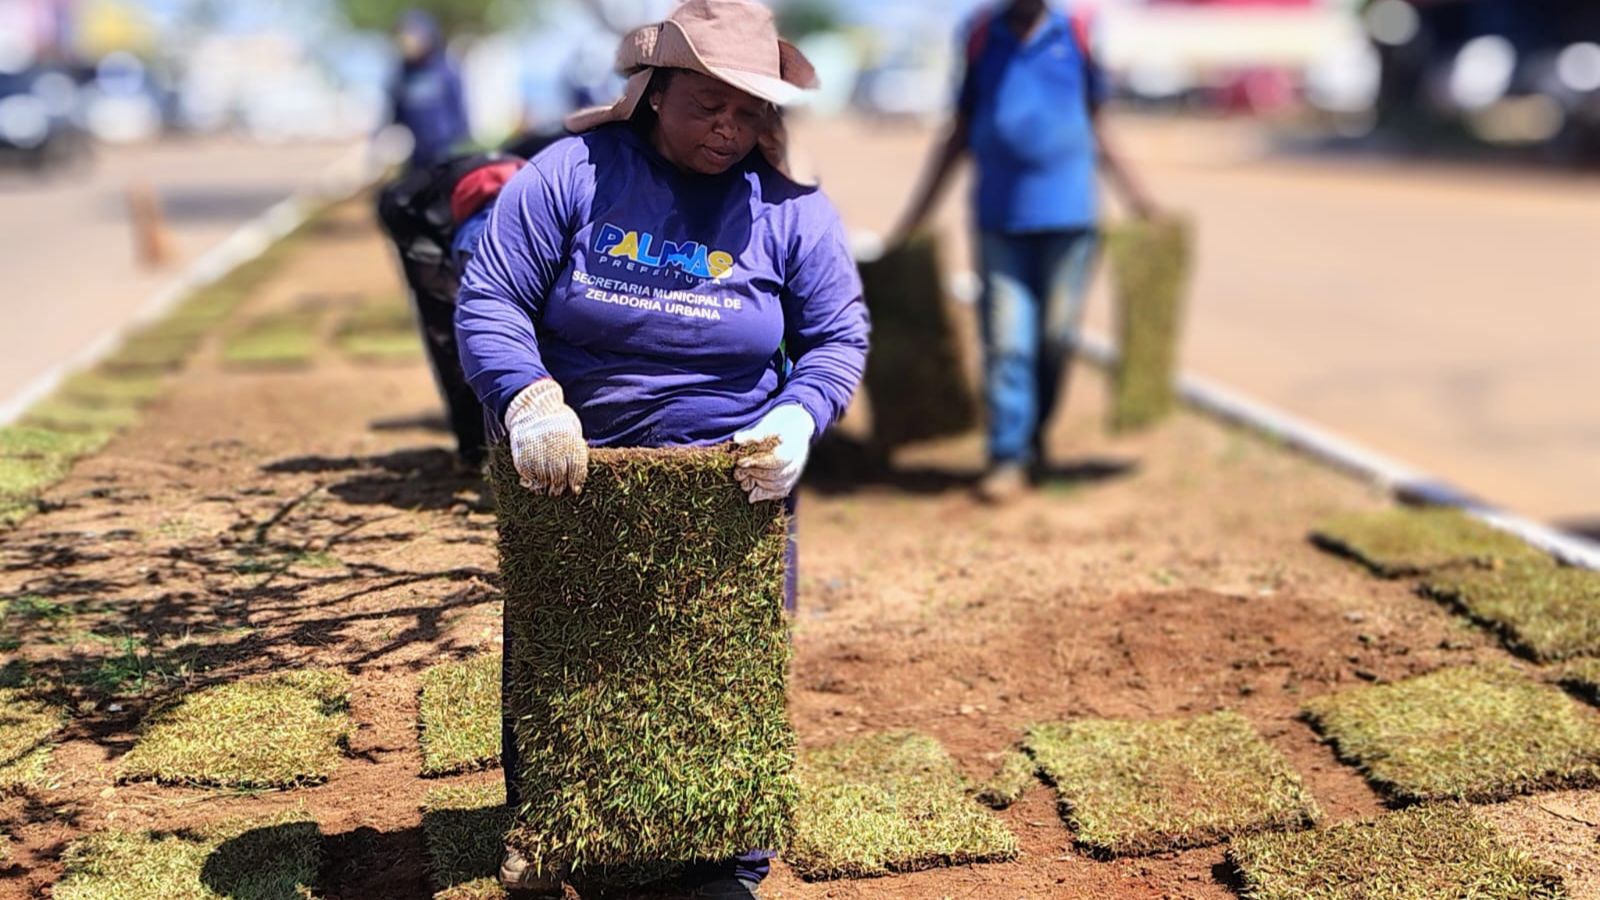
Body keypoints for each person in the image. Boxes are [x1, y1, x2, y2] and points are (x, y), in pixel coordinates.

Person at [453, 1, 869, 896]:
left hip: (730, 479)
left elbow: (838, 336)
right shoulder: (572, 173)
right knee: (564, 655)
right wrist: (529, 401)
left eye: (749, 109)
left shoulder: (791, 211)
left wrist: (800, 416)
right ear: (650, 95)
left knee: (727, 664)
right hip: (577, 470)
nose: (729, 126)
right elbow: (491, 297)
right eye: (705, 104)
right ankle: (553, 823)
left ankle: (728, 858)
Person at [892, 0, 1160, 504]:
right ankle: (1007, 456)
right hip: (999, 222)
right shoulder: (979, 36)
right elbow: (958, 131)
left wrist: (1140, 199)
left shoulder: (1077, 32)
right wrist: (917, 216)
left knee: (1056, 338)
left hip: (1072, 220)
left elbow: (1099, 123)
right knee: (1009, 342)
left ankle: (1034, 436)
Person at [388, 10, 471, 169]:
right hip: (415, 154)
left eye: (412, 34)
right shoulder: (402, 75)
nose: (406, 40)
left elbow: (459, 112)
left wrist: (459, 140)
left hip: (446, 150)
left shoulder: (445, 71)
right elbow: (396, 114)